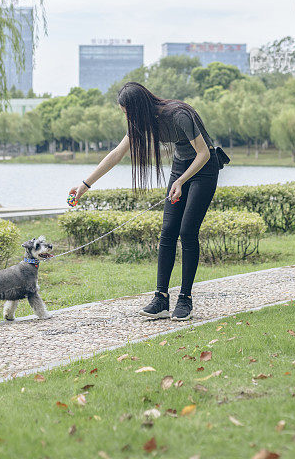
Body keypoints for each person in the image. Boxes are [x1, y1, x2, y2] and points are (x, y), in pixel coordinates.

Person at [68, 81, 219, 321]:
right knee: (168, 231)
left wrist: (180, 181)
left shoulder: (179, 115)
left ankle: (185, 298)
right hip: (181, 167)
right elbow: (117, 154)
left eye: (127, 113)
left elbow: (204, 153)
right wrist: (85, 185)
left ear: (139, 108)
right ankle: (161, 298)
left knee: (187, 232)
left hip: (204, 168)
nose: (126, 117)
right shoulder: (143, 122)